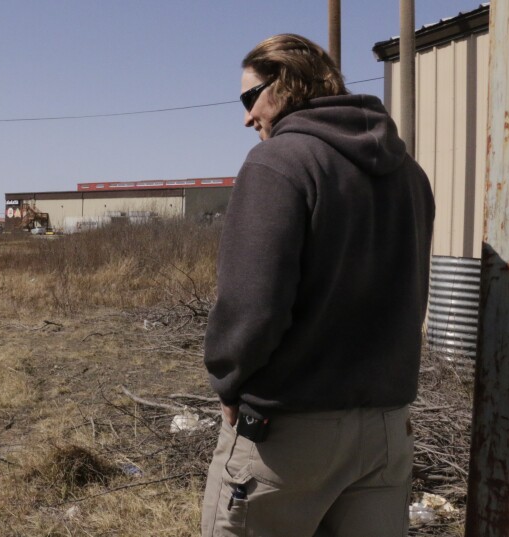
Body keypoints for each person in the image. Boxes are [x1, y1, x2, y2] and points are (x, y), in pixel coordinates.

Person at [201, 34, 435, 536]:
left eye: (249, 98)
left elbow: (251, 305)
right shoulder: (410, 175)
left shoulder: (279, 163)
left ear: (285, 85)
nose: (246, 117)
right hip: (386, 432)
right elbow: (412, 295)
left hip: (289, 433)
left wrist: (229, 381)